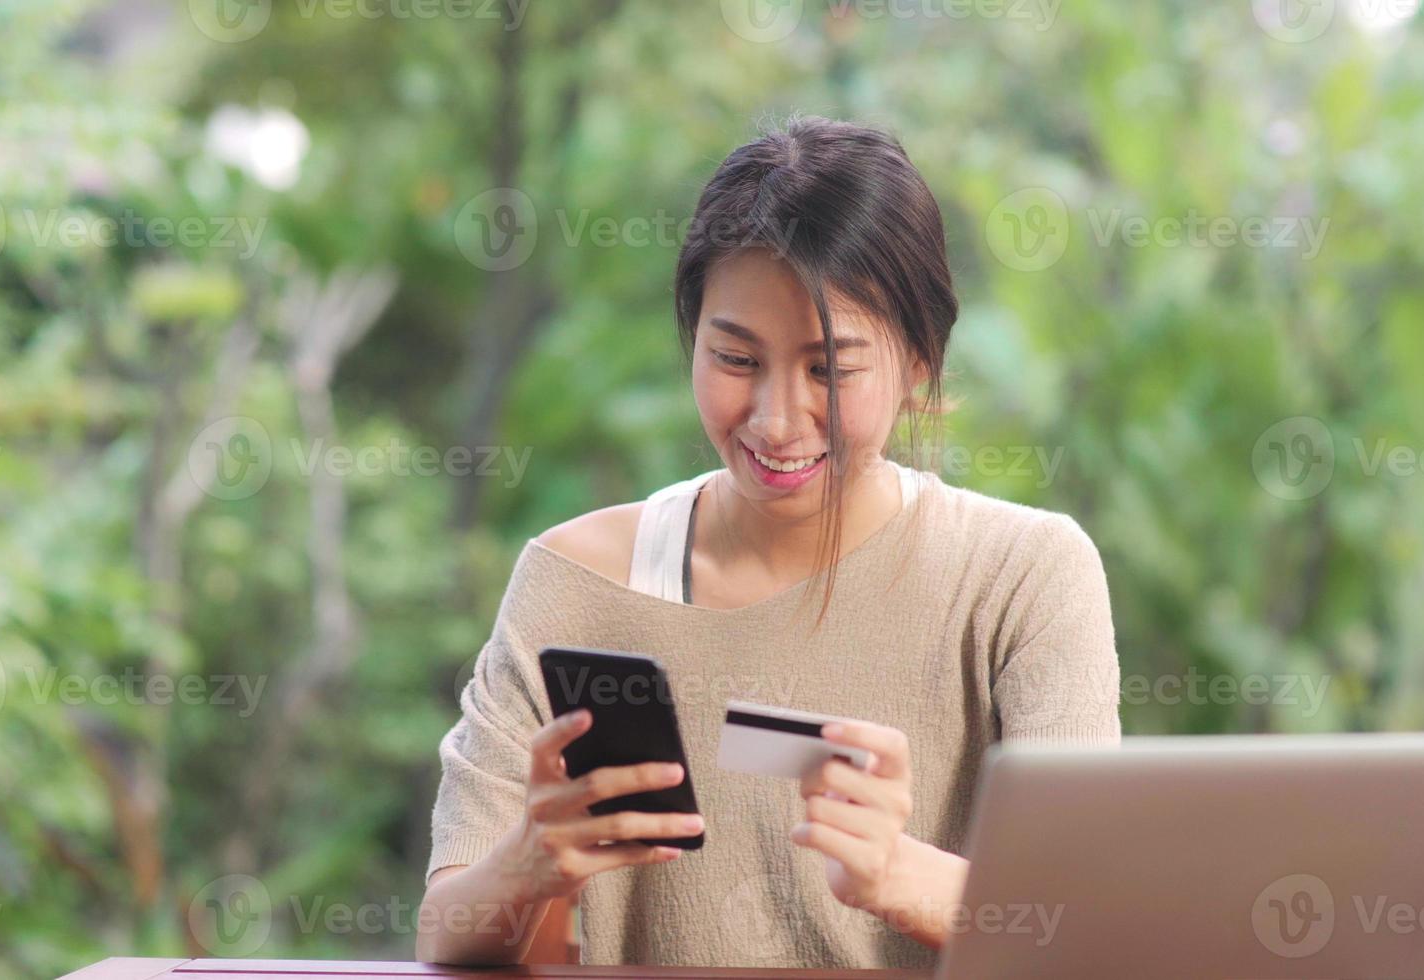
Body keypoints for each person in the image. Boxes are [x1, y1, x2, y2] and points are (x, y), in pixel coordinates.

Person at [415, 115, 1119, 970]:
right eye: (737, 360)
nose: (777, 421)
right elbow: (446, 929)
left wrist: (898, 873)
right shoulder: (576, 583)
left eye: (830, 369)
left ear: (921, 364)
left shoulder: (1024, 577)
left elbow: (1086, 927)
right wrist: (526, 870)